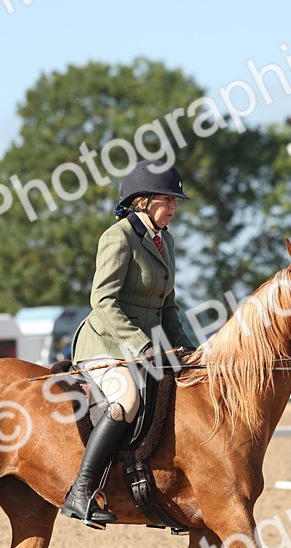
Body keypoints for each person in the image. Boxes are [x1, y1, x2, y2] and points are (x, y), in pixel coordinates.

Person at [61, 160, 199, 528]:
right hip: (105, 345)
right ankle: (81, 489)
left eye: (175, 201)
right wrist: (141, 345)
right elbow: (102, 302)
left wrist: (187, 349)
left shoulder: (165, 240)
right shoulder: (118, 237)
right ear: (141, 201)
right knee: (127, 400)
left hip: (148, 347)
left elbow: (168, 306)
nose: (173, 207)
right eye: (166, 200)